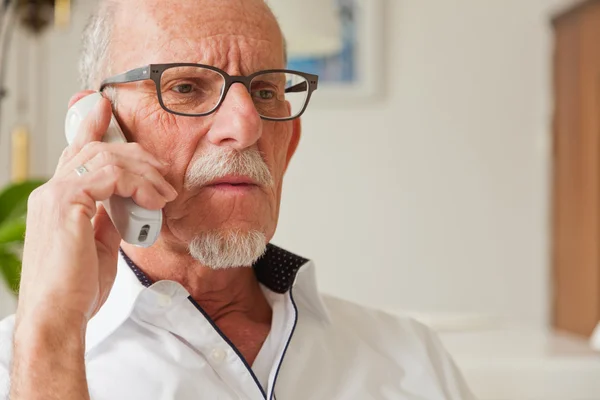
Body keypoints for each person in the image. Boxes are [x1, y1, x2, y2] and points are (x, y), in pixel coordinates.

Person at [0, 0, 476, 399]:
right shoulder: (17, 370)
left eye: (265, 91)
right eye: (185, 87)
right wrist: (50, 339)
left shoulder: (412, 359)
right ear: (97, 128)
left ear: (288, 145)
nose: (246, 127)